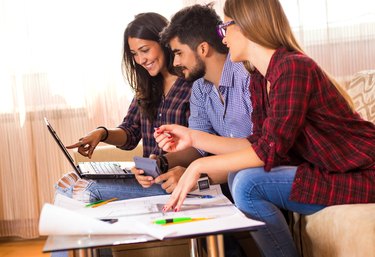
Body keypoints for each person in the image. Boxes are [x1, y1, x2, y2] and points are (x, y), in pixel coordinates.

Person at [154, 0, 375, 256]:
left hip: (362, 173)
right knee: (240, 177)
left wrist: (199, 166)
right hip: (328, 171)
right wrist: (192, 137)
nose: (223, 39)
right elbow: (257, 143)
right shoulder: (261, 78)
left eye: (226, 27)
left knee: (248, 183)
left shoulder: (293, 68)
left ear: (248, 26)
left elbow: (268, 151)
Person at [55, 12, 192, 204]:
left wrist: (162, 162)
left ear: (164, 42)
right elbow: (130, 133)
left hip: (172, 181)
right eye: (134, 54)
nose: (140, 60)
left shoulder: (191, 85)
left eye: (145, 50)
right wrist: (101, 134)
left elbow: (199, 145)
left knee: (78, 188)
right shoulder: (147, 87)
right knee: (66, 181)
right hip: (146, 179)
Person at [135, 3, 252, 198]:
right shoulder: (199, 89)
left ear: (203, 49)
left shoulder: (247, 77)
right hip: (227, 181)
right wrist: (162, 163)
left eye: (179, 53)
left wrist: (198, 176)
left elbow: (261, 152)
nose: (175, 63)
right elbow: (199, 147)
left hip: (252, 178)